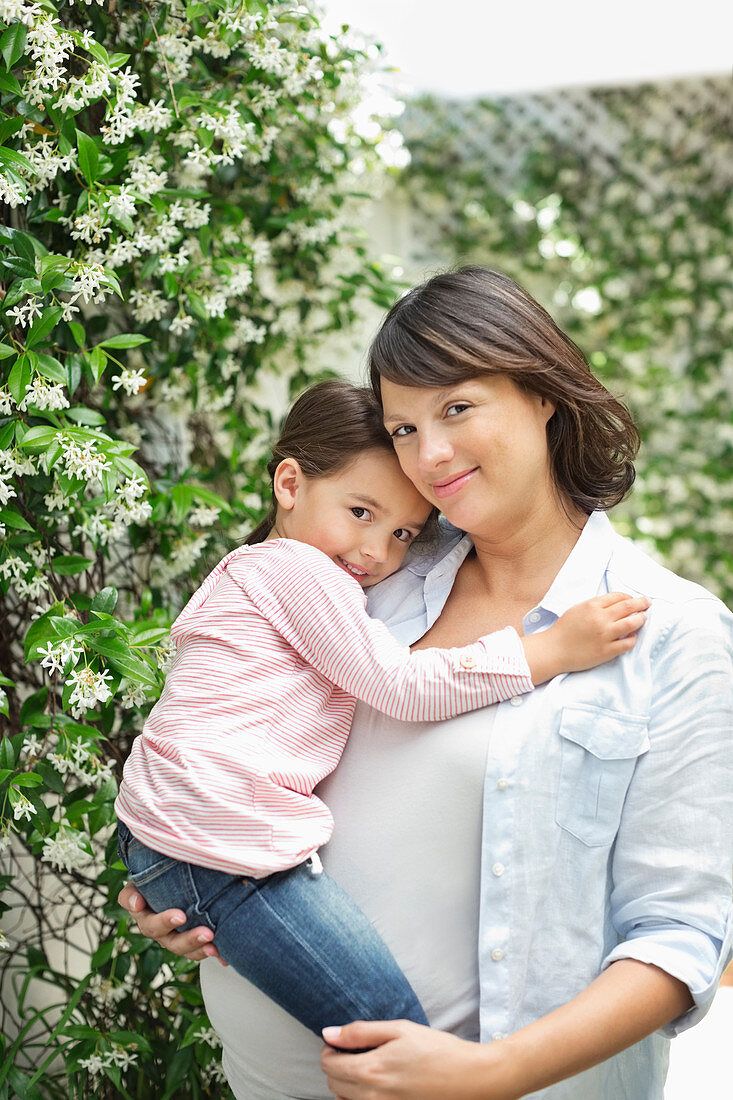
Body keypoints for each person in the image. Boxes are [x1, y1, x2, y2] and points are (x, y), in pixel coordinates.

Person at [119, 268, 733, 1100]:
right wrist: (185, 873)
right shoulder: (371, 581)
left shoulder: (668, 631)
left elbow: (678, 939)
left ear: (541, 392)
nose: (430, 455)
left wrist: (492, 1072)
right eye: (404, 428)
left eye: (456, 409)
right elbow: (238, 733)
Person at [114, 377, 643, 1039]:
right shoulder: (299, 572)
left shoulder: (259, 571)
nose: (375, 551)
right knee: (394, 1037)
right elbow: (402, 686)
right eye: (360, 513)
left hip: (194, 844)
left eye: (401, 532)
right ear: (289, 484)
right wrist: (548, 650)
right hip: (218, 853)